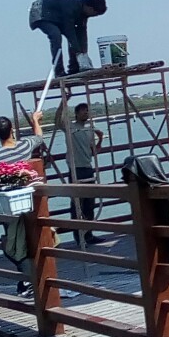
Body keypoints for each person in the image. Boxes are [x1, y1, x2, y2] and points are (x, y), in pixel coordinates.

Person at [0, 110, 44, 297]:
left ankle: (28, 280)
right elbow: (39, 137)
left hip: (9, 207)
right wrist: (35, 120)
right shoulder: (24, 146)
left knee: (13, 246)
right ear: (11, 130)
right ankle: (29, 280)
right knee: (30, 242)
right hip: (29, 203)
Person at [28, 0, 108, 76]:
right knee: (55, 35)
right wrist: (78, 52)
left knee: (76, 39)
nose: (94, 16)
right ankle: (59, 71)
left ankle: (74, 68)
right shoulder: (71, 6)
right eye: (95, 14)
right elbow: (70, 31)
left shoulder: (83, 13)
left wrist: (84, 53)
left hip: (56, 17)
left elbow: (82, 35)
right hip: (40, 12)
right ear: (90, 8)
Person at [65, 102, 104, 243]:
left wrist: (100, 140)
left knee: (89, 204)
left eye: (87, 111)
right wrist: (63, 103)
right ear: (76, 113)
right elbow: (59, 120)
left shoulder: (89, 130)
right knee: (77, 205)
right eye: (83, 111)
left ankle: (88, 235)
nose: (85, 113)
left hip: (88, 168)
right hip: (76, 169)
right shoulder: (70, 128)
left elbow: (93, 151)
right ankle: (79, 237)